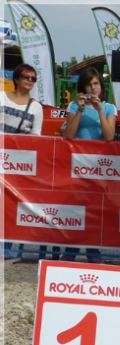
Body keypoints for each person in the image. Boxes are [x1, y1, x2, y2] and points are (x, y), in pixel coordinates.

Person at [0, 64, 58, 260]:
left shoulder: (35, 107)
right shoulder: (1, 96)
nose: (30, 80)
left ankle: (6, 249)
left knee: (10, 204)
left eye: (33, 78)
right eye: (26, 76)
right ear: (16, 78)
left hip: (19, 163)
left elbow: (36, 137)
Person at [61, 67, 118, 263]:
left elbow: (109, 136)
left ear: (101, 86)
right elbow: (69, 134)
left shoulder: (109, 108)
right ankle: (69, 254)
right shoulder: (73, 106)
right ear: (82, 87)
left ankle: (94, 255)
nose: (93, 88)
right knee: (76, 210)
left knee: (94, 211)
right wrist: (81, 108)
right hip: (77, 165)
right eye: (89, 84)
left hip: (99, 166)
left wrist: (100, 109)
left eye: (95, 84)